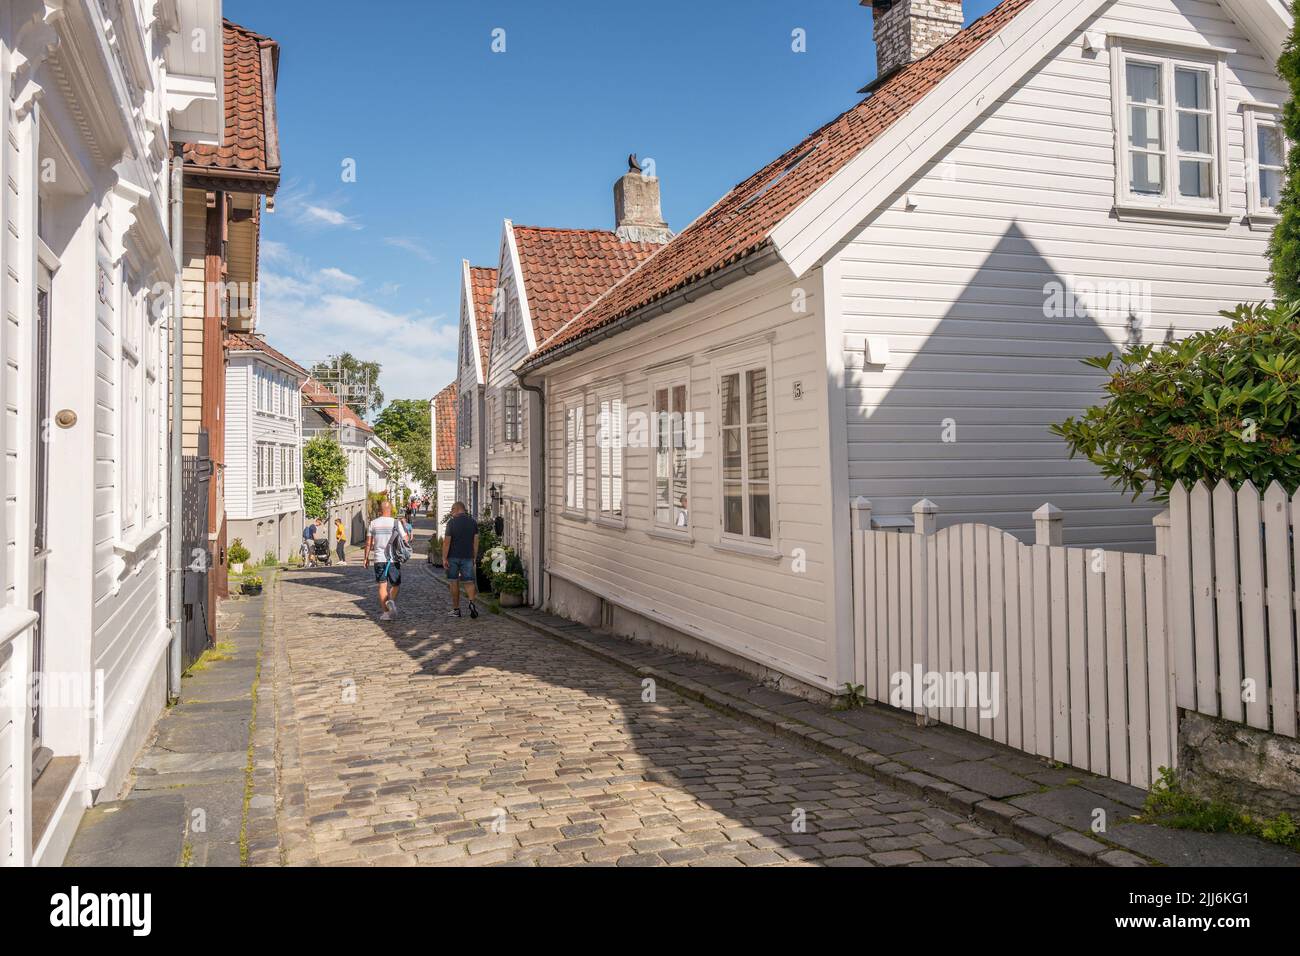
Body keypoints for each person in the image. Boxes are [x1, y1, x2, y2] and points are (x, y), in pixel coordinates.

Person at [364, 500, 410, 621]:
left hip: (379, 559)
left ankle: (385, 613)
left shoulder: (373, 523)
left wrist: (366, 558)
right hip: (393, 559)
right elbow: (406, 538)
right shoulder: (396, 522)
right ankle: (391, 600)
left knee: (382, 586)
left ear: (380, 510)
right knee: (395, 584)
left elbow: (368, 542)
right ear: (390, 510)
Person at [442, 500, 479, 619]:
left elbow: (447, 542)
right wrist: (474, 556)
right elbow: (476, 542)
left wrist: (444, 558)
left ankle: (456, 609)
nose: (451, 513)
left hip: (453, 556)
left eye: (452, 510)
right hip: (468, 556)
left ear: (457, 509)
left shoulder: (451, 523)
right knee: (469, 581)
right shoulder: (473, 523)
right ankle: (472, 603)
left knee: (454, 582)